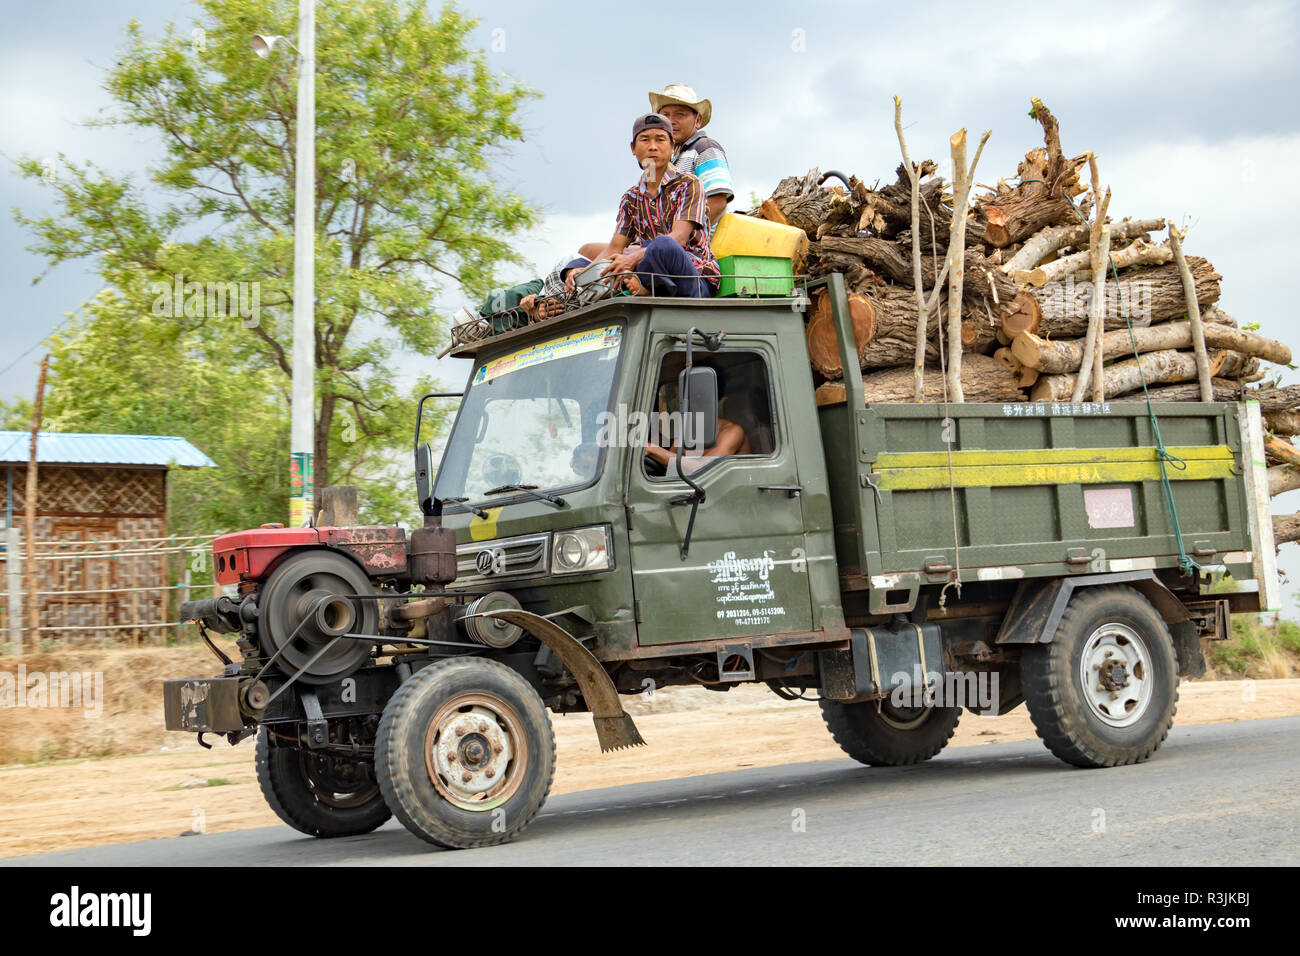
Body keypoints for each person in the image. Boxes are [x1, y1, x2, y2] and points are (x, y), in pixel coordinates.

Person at [570, 113, 720, 299]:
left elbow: (679, 239)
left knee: (662, 244)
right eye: (645, 140)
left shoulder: (689, 184)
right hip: (651, 273)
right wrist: (584, 273)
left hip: (693, 280)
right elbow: (614, 248)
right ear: (633, 148)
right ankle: (643, 288)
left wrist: (631, 259)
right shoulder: (631, 197)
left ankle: (644, 287)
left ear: (673, 147)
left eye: (660, 140)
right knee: (580, 263)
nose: (652, 147)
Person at [649, 84, 734, 226]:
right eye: (665, 115)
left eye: (680, 114)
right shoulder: (665, 162)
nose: (671, 121)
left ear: (698, 120)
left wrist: (684, 236)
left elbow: (718, 200)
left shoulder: (704, 148)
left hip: (692, 245)